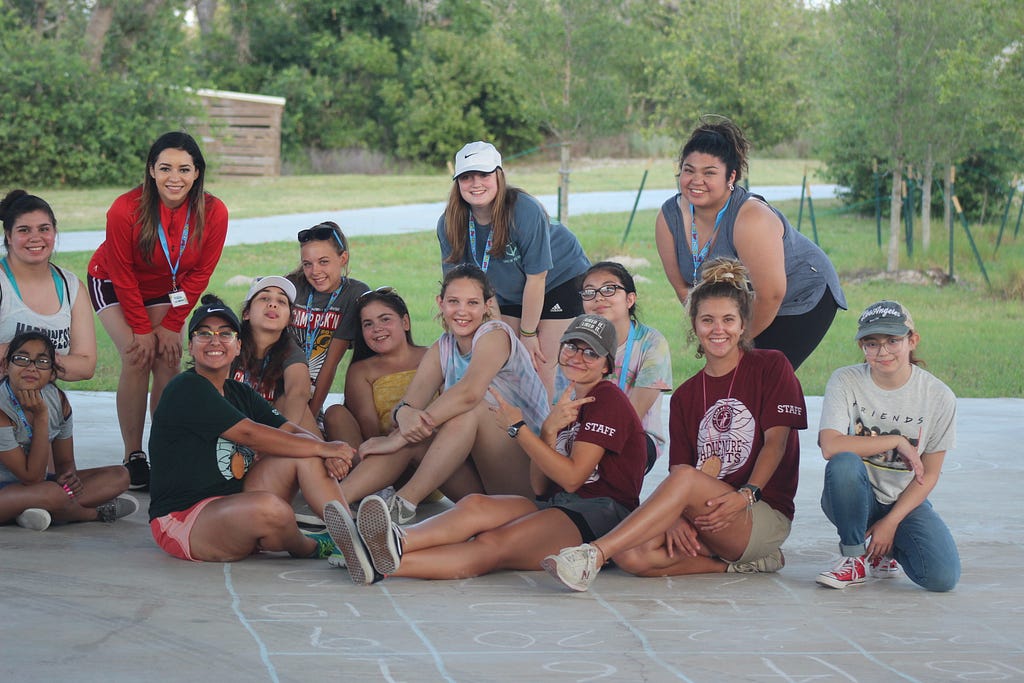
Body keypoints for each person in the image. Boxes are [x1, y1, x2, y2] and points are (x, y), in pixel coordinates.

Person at [323, 313, 649, 585]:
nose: (577, 357)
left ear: (607, 364)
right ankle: (387, 541)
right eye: (571, 347)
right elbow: (540, 485)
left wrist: (519, 429)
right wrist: (548, 430)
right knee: (476, 505)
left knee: (492, 545)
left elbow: (575, 478)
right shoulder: (568, 400)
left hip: (599, 516)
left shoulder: (607, 399)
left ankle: (381, 563)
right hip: (558, 503)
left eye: (590, 352)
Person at [543, 258, 807, 591]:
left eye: (728, 320)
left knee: (673, 492)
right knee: (631, 557)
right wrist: (677, 516)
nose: (718, 329)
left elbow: (777, 443)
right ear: (694, 326)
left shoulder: (771, 366)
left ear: (743, 325)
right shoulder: (686, 395)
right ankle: (736, 567)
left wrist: (747, 495)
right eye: (707, 320)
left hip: (757, 512)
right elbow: (682, 468)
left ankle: (592, 555)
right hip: (707, 512)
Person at [147, 295, 356, 562]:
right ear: (191, 345)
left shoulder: (239, 391)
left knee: (307, 454)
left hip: (233, 500)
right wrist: (325, 446)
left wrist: (325, 453)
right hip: (186, 518)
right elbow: (250, 434)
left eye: (225, 334)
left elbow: (289, 430)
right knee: (272, 510)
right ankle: (311, 547)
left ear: (237, 346)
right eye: (204, 334)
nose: (215, 341)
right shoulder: (186, 387)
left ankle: (354, 537)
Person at [344, 264, 549, 524]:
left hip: (529, 481)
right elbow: (408, 402)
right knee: (417, 437)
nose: (462, 311)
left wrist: (395, 438)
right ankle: (333, 506)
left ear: (487, 306)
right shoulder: (443, 346)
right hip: (481, 484)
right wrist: (405, 413)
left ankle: (401, 505)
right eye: (453, 301)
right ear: (440, 303)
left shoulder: (494, 334)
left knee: (469, 411)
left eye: (472, 302)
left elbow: (470, 393)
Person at [88, 131, 229, 491]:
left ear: (197, 172)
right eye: (165, 168)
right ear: (151, 170)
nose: (174, 178)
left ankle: (165, 449)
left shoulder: (214, 211)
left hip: (169, 290)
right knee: (138, 356)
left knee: (168, 356)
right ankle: (134, 455)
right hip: (114, 283)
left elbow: (201, 273)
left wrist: (171, 324)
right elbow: (121, 271)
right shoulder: (125, 209)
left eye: (184, 169)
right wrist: (140, 327)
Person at [655, 116, 846, 370]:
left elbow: (771, 295)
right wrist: (712, 332)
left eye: (709, 172)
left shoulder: (751, 218)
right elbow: (684, 289)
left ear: (731, 177)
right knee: (730, 375)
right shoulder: (669, 218)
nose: (695, 180)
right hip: (745, 303)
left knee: (758, 376)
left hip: (800, 296)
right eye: (689, 170)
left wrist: (735, 343)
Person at [815, 300, 960, 592]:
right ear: (862, 347)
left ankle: (886, 549)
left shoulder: (938, 396)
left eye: (893, 341)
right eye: (872, 343)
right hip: (854, 496)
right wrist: (896, 441)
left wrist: (892, 522)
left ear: (912, 340)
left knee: (942, 577)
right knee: (843, 462)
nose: (882, 352)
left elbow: (928, 474)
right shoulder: (846, 380)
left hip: (902, 498)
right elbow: (830, 445)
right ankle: (854, 558)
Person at [437, 141, 590, 396]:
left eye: (484, 175)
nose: (476, 183)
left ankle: (547, 433)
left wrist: (528, 334)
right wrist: (495, 332)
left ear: (498, 175)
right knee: (499, 356)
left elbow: (537, 278)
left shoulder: (524, 210)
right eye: (466, 177)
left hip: (557, 279)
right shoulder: (449, 223)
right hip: (503, 288)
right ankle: (506, 429)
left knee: (539, 362)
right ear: (457, 183)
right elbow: (467, 288)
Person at [0, 332, 135, 531]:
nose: (31, 367)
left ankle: (34, 511)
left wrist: (68, 477)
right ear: (5, 366)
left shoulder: (57, 400)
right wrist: (41, 417)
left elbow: (64, 463)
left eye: (42, 361)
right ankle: (90, 514)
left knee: (120, 475)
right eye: (21, 358)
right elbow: (32, 478)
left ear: (53, 372)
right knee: (53, 493)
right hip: (9, 490)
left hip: (38, 486)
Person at [556, 261, 672, 472]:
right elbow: (561, 402)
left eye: (609, 289)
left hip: (635, 436)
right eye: (589, 292)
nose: (598, 297)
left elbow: (634, 415)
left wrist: (590, 443)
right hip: (579, 432)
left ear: (630, 299)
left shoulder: (652, 343)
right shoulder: (575, 341)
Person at [285, 221, 368, 442]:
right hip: (282, 385)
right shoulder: (291, 286)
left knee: (310, 441)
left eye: (323, 262)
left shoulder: (353, 294)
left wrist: (311, 414)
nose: (315, 272)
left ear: (343, 258)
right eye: (307, 264)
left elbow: (330, 364)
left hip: (312, 394)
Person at [0, 190, 96, 381]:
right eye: (24, 230)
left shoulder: (71, 287)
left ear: (54, 232)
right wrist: (46, 361)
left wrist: (26, 359)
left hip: (43, 403)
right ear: (9, 236)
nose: (35, 238)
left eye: (44, 229)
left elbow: (86, 365)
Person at [231, 275, 319, 434]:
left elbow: (298, 392)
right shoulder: (231, 343)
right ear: (246, 314)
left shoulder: (290, 349)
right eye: (264, 298)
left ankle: (323, 455)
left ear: (289, 320)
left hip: (273, 432)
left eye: (281, 301)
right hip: (233, 429)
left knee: (292, 404)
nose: (272, 304)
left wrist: (278, 439)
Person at [340, 287, 428, 443]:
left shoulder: (431, 356)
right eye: (368, 324)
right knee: (335, 413)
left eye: (385, 319)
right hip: (386, 446)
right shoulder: (361, 371)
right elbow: (368, 426)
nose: (377, 328)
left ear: (405, 322)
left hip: (431, 442)